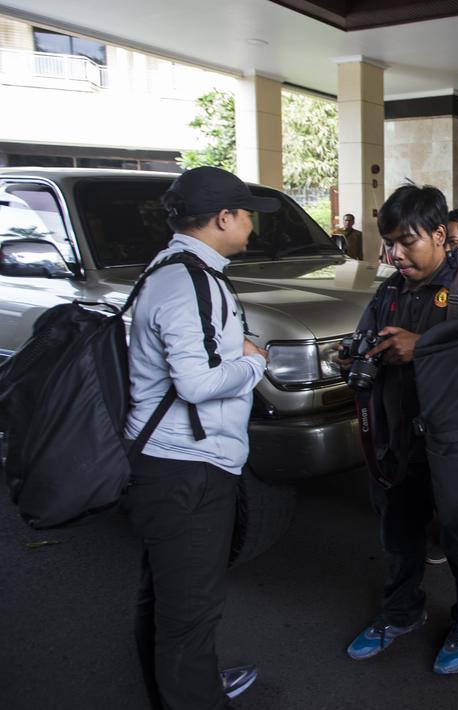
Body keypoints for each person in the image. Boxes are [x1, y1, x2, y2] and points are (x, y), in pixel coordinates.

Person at [340, 184, 458, 675]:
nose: (395, 255)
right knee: (398, 530)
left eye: (406, 242)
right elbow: (368, 337)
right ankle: (400, 612)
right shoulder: (391, 289)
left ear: (439, 234)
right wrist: (353, 355)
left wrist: (425, 345)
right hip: (399, 435)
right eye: (389, 243)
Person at [124, 165, 276, 709]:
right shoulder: (189, 281)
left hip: (168, 461)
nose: (252, 226)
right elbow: (195, 384)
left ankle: (187, 687)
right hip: (186, 467)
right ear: (224, 218)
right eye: (247, 215)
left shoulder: (172, 269)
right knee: (189, 610)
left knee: (169, 598)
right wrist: (255, 363)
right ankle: (194, 695)